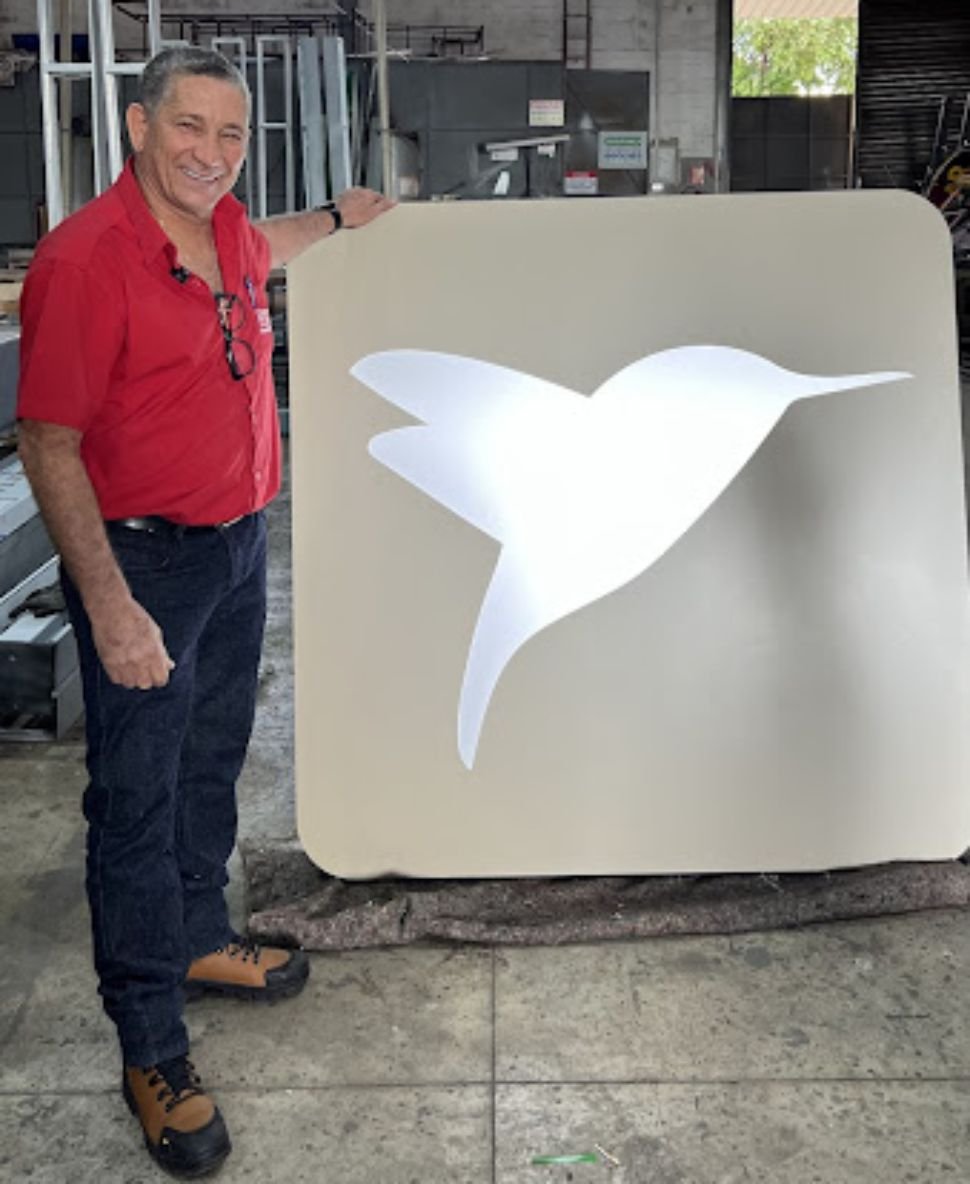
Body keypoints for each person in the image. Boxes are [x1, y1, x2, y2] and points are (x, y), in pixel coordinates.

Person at [16, 46, 393, 1178]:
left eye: (230, 134)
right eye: (190, 127)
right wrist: (110, 605)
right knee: (133, 801)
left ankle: (194, 937)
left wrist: (339, 216)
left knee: (211, 760)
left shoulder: (227, 232)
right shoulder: (85, 260)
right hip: (144, 561)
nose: (212, 153)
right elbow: (49, 441)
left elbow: (270, 241)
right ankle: (150, 1045)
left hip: (237, 547)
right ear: (139, 127)